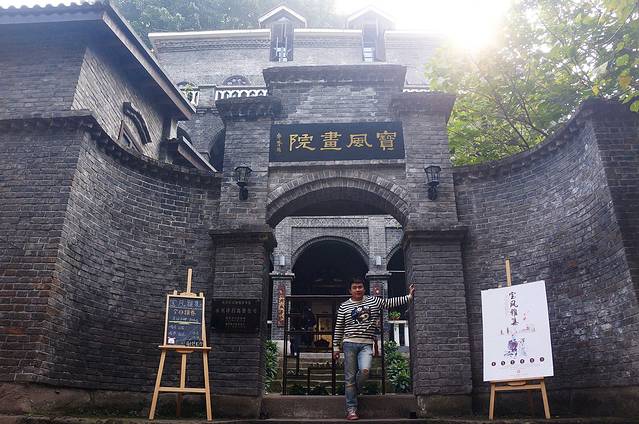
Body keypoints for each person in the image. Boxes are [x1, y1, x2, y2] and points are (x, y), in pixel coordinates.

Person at [333, 278, 415, 420]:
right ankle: (351, 410)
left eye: (360, 287)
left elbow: (389, 303)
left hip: (366, 344)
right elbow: (339, 327)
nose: (358, 289)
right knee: (349, 378)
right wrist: (335, 346)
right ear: (350, 290)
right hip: (349, 343)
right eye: (354, 287)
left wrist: (409, 297)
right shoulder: (344, 306)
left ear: (364, 289)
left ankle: (353, 391)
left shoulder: (373, 301)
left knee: (365, 371)